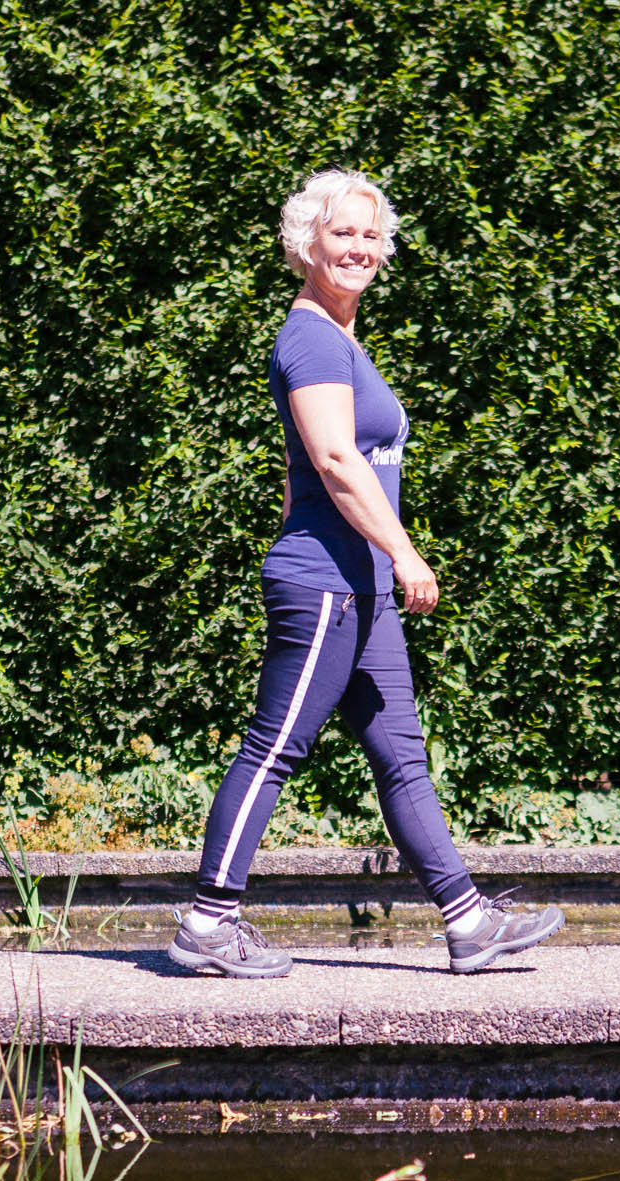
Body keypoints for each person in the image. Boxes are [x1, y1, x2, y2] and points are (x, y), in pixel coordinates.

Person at [169, 168, 563, 979]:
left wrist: (377, 566)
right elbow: (335, 461)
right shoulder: (310, 335)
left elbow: (297, 471)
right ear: (304, 242)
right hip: (326, 582)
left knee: (400, 754)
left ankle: (467, 921)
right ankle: (209, 922)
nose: (357, 248)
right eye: (341, 232)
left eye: (369, 236)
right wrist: (404, 550)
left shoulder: (341, 340)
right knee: (275, 746)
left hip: (361, 587)